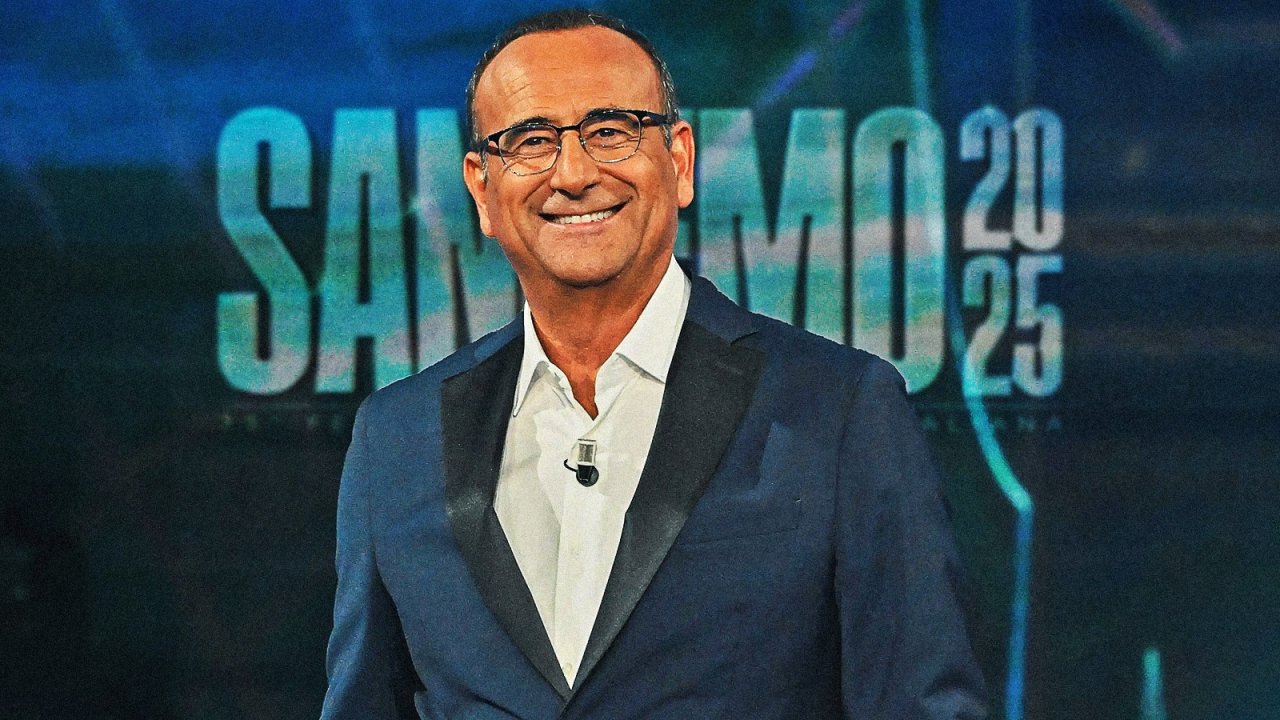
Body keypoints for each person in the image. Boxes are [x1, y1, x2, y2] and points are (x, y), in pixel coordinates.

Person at [321, 9, 987, 719]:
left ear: (679, 161)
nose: (574, 174)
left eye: (610, 131)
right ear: (482, 189)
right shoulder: (398, 439)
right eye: (531, 141)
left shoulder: (839, 409)